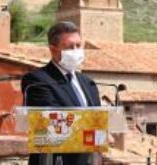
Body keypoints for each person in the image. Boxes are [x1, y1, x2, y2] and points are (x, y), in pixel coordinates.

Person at [21, 21, 101, 165]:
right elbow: (51, 125)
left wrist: (103, 131)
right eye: (70, 47)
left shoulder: (88, 83)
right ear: (53, 49)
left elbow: (98, 121)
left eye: (78, 45)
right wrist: (97, 134)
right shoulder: (38, 80)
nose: (76, 51)